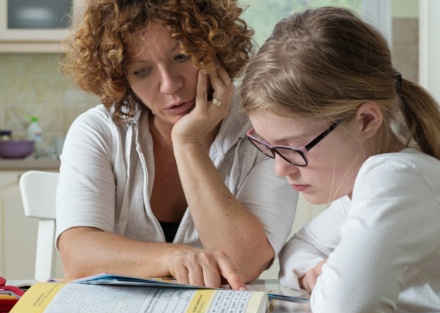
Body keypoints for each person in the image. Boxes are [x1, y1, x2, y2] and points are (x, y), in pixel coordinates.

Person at [239, 7, 440, 313]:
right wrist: (309, 273)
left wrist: (327, 280)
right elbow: (297, 247)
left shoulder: (397, 178)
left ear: (366, 120)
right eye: (269, 146)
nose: (281, 168)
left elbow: (344, 312)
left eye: (293, 147)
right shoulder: (374, 182)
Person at [57, 0, 298, 290]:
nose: (169, 85)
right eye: (142, 71)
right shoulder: (98, 131)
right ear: (122, 79)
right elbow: (77, 256)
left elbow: (243, 263)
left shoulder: (264, 129)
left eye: (182, 56)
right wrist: (173, 258)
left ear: (214, 48)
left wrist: (188, 143)